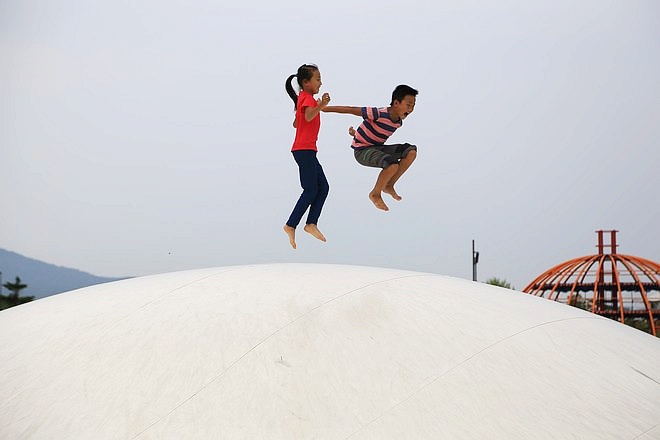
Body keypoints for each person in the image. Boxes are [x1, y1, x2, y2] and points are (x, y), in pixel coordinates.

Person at [322, 85, 418, 211]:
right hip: (362, 152)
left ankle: (389, 184)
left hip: (377, 148)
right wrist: (323, 109)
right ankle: (375, 194)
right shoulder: (378, 113)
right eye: (408, 105)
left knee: (410, 151)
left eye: (413, 106)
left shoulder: (398, 122)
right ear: (396, 103)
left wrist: (355, 133)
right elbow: (349, 109)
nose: (411, 109)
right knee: (392, 165)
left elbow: (372, 134)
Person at [282, 64, 331, 249]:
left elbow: (297, 123)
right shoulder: (308, 99)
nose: (320, 82)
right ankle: (291, 224)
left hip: (306, 150)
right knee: (311, 190)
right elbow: (309, 116)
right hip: (304, 150)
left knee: (323, 187)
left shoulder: (303, 98)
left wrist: (312, 108)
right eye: (317, 79)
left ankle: (311, 223)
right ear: (306, 82)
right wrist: (320, 105)